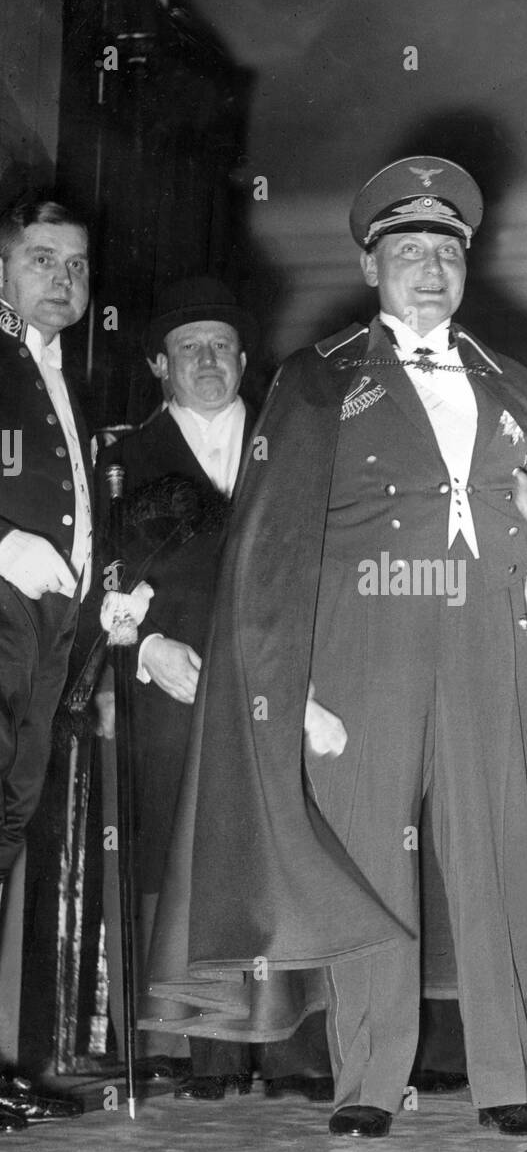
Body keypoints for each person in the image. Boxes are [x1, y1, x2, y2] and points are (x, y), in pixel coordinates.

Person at [146, 155, 527, 1139]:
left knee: (495, 856)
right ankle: (367, 1080)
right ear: (368, 259)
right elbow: (270, 549)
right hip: (361, 652)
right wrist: (286, 684)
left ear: (464, 263)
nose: (428, 268)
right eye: (406, 250)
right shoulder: (315, 377)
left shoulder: (510, 381)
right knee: (366, 866)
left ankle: (507, 1075)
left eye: (444, 250)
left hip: (490, 647)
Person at [97, 277, 333, 1103]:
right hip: (172, 693)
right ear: (160, 364)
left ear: (243, 360)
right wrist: (146, 646)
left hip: (279, 683)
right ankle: (197, 1051)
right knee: (180, 855)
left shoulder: (294, 443)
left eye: (223, 347)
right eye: (189, 348)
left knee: (281, 850)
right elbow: (100, 577)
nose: (208, 360)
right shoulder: (121, 462)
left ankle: (297, 1053)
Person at [0, 198, 92, 1132]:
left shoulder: (65, 372)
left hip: (50, 623)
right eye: (39, 260)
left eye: (74, 264)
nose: (61, 278)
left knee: (8, 829)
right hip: (0, 604)